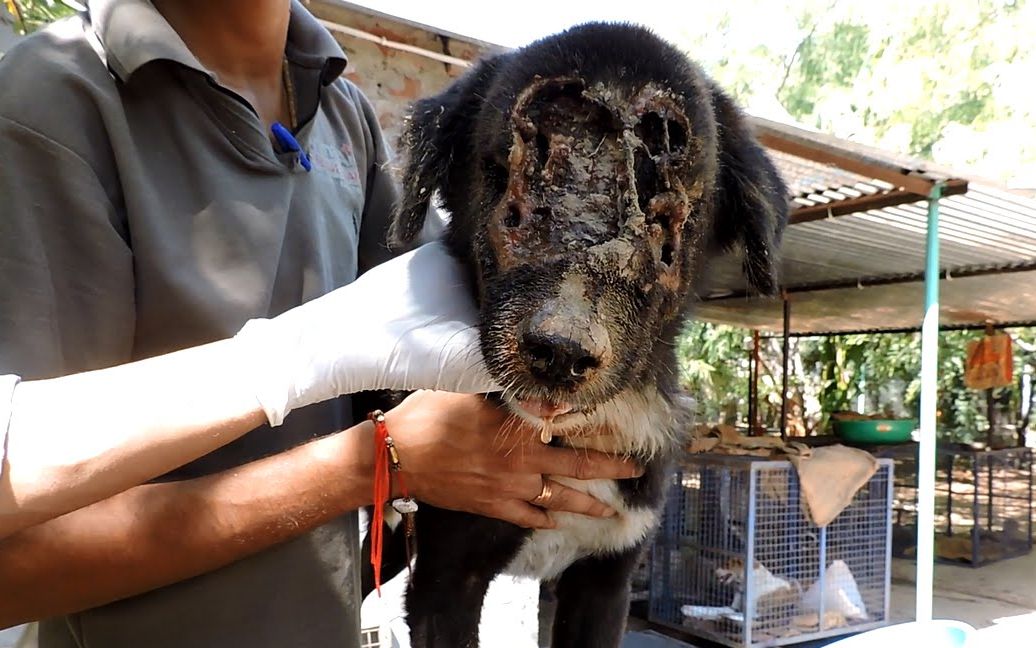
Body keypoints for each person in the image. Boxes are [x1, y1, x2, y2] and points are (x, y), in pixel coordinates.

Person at [0, 1, 637, 645]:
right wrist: (370, 466)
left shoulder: (342, 114)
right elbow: (14, 567)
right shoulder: (53, 98)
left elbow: (436, 332)